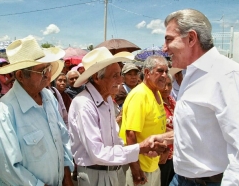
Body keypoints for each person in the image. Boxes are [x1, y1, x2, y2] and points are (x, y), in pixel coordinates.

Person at [163, 9, 239, 185]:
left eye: (169, 39)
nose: (164, 48)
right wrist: (167, 137)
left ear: (191, 38)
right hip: (181, 179)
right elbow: (203, 126)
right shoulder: (192, 73)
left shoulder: (228, 74)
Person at [68, 47, 172, 186]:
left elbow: (116, 141)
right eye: (115, 75)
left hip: (112, 172)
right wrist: (139, 148)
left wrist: (142, 150)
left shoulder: (107, 100)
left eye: (120, 74)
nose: (120, 80)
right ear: (97, 77)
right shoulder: (84, 104)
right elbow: (97, 153)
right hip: (95, 175)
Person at [0, 36, 74, 186]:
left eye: (48, 68)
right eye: (42, 71)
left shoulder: (48, 96)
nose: (48, 75)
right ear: (21, 76)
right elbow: (9, 169)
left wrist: (67, 178)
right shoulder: (5, 111)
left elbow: (62, 138)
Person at [119, 55, 170, 186]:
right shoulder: (139, 95)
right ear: (147, 72)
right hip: (140, 168)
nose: (164, 75)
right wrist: (136, 172)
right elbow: (130, 134)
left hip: (152, 165)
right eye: (160, 71)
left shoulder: (156, 92)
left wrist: (165, 149)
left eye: (166, 71)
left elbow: (158, 126)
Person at [158, 74, 176, 186]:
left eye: (169, 84)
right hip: (162, 155)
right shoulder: (156, 103)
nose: (166, 88)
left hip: (174, 155)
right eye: (163, 85)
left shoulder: (172, 101)